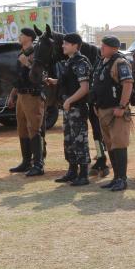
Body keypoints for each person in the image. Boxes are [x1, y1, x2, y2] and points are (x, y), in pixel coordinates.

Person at [46, 33, 91, 186]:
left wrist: (70, 100)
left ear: (75, 45)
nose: (62, 46)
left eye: (66, 43)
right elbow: (71, 81)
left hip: (77, 108)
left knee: (80, 141)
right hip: (69, 108)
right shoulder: (70, 62)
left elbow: (84, 88)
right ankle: (72, 172)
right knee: (69, 141)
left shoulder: (81, 63)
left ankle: (83, 175)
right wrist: (54, 81)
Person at [91, 35, 134, 192]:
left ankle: (122, 179)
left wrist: (122, 106)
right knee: (110, 145)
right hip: (103, 111)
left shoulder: (120, 62)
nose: (101, 48)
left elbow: (128, 84)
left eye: (104, 46)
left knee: (119, 144)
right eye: (101, 45)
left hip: (116, 111)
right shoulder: (102, 62)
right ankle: (116, 178)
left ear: (114, 48)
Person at [7, 28, 46, 177]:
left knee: (34, 128)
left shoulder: (36, 53)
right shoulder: (21, 53)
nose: (19, 36)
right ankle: (26, 162)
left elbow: (40, 75)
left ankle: (38, 164)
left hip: (32, 95)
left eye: (22, 35)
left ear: (29, 37)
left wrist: (28, 64)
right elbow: (18, 77)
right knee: (22, 128)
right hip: (21, 95)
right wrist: (12, 95)